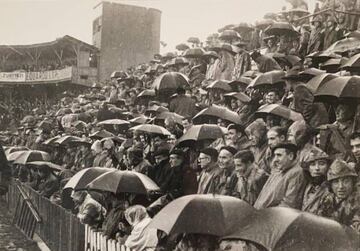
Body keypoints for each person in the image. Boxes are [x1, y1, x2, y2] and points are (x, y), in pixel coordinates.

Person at [254, 142, 306, 209]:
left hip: (272, 216)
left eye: (279, 155)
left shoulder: (296, 173)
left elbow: (288, 204)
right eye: (275, 155)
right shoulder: (279, 170)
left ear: (291, 156)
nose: (275, 159)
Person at [318, 159, 360, 233]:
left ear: (353, 183)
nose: (341, 186)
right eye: (336, 182)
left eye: (346, 181)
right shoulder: (327, 199)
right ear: (330, 185)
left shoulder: (357, 200)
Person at [301, 147, 331, 215]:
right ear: (308, 168)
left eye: (321, 164)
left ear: (328, 166)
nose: (317, 168)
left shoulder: (331, 188)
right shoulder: (308, 186)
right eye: (312, 164)